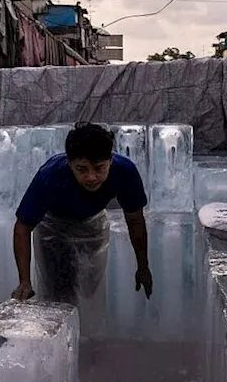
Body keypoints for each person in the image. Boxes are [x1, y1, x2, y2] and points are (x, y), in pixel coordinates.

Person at [10, 122, 152, 306]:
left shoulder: (125, 172)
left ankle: (91, 332)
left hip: (92, 224)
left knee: (90, 291)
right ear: (70, 163)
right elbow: (22, 228)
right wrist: (24, 281)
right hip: (54, 228)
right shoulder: (50, 176)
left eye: (99, 168)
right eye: (82, 169)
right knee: (60, 292)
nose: (91, 177)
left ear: (110, 160)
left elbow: (135, 220)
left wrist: (143, 266)